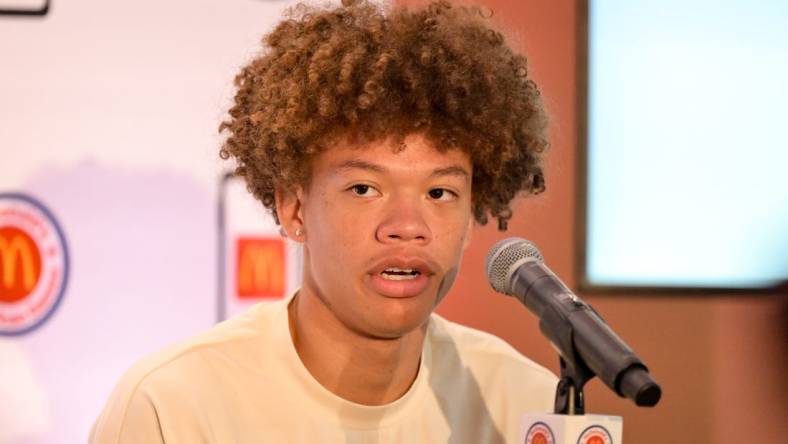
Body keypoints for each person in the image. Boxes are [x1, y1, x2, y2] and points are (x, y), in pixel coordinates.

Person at [90, 0, 555, 442]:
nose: (408, 226)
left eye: (440, 193)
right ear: (295, 210)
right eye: (363, 189)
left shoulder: (527, 408)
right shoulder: (171, 408)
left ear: (472, 213)